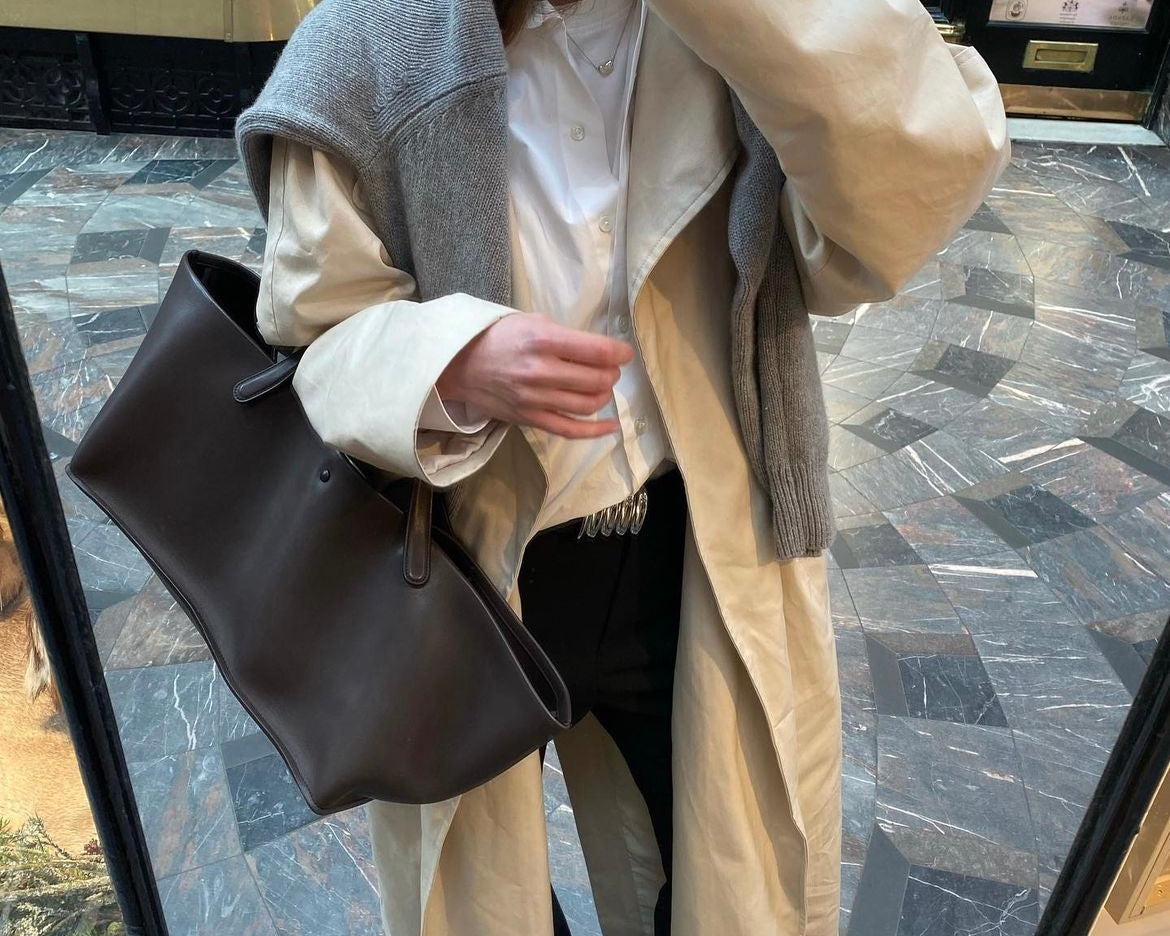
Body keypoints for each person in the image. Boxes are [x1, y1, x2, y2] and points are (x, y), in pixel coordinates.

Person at [235, 0, 1009, 932]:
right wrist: (453, 362)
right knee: (481, 897)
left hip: (697, 550)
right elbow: (313, 325)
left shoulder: (744, 33)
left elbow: (906, 195)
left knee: (729, 882)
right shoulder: (371, 37)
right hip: (461, 569)